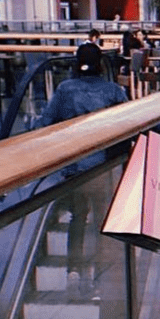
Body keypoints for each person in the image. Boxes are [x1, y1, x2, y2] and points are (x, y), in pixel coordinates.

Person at [30, 42, 128, 278]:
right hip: (104, 168)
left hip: (75, 168)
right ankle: (102, 270)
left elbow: (46, 123)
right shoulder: (113, 91)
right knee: (103, 218)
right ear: (100, 64)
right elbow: (130, 119)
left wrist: (30, 128)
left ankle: (73, 268)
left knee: (78, 216)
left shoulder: (65, 89)